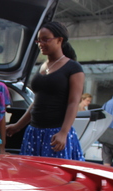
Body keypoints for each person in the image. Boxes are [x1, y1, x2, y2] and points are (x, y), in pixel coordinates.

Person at [6, 22, 85, 160]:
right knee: (32, 172)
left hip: (56, 134)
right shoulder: (42, 67)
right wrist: (18, 126)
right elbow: (37, 103)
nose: (40, 44)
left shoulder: (73, 68)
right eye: (38, 40)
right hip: (34, 132)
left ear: (59, 40)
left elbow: (73, 102)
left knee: (53, 173)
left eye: (45, 39)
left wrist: (63, 132)